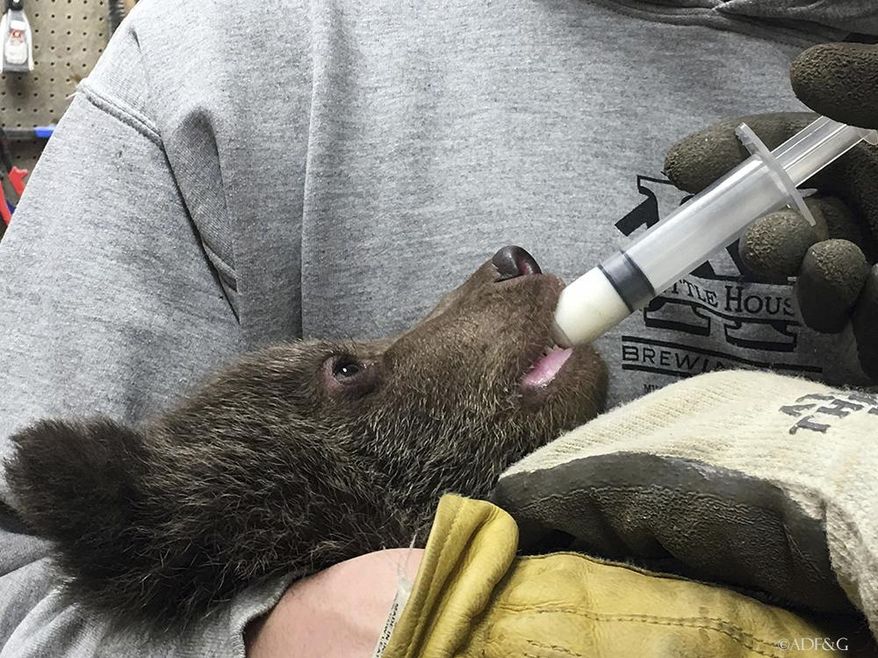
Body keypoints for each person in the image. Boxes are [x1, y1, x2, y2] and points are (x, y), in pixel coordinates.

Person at [0, 0, 876, 655]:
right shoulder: (228, 52)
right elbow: (27, 602)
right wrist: (280, 635)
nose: (505, 268)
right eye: (349, 372)